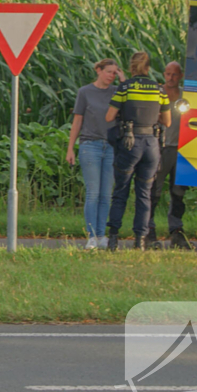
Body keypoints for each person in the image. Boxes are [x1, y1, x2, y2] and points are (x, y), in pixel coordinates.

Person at [104, 51, 171, 251]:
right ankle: (140, 241)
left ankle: (113, 239)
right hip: (151, 145)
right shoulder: (159, 90)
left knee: (121, 192)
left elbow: (109, 117)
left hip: (129, 143)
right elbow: (167, 121)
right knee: (144, 194)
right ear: (148, 68)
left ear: (131, 67)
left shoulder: (124, 88)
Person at [66, 58, 124, 249]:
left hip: (111, 147)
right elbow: (77, 121)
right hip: (90, 145)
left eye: (115, 72)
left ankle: (102, 235)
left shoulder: (117, 91)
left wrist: (123, 82)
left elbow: (130, 102)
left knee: (106, 194)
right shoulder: (85, 92)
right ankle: (91, 235)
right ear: (98, 70)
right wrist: (70, 148)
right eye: (108, 71)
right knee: (93, 192)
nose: (111, 76)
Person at [147, 61, 193, 249]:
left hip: (181, 149)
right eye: (167, 74)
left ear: (180, 76)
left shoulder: (186, 96)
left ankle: (176, 231)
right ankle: (149, 230)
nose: (170, 78)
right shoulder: (158, 93)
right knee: (154, 191)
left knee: (178, 192)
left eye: (174, 75)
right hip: (160, 147)